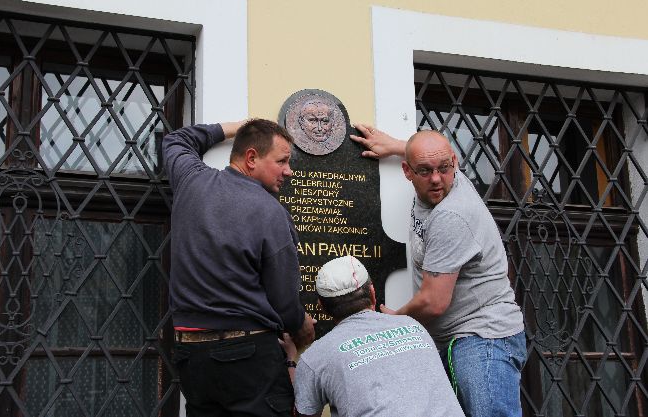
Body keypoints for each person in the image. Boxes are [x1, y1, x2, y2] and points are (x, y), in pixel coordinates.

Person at [350, 124, 526, 417]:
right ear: (407, 171)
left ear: (454, 162)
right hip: (454, 339)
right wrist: (394, 144)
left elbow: (434, 302)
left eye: (443, 168)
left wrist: (393, 321)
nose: (436, 179)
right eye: (424, 170)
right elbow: (429, 153)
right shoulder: (447, 174)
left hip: (481, 338)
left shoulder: (451, 215)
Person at [163, 119, 315, 417]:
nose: (289, 170)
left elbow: (175, 141)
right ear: (251, 158)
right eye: (282, 161)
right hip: (248, 359)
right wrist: (301, 325)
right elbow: (283, 298)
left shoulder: (191, 179)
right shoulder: (271, 211)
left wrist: (235, 126)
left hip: (190, 355)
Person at [282, 255, 465, 417]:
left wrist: (291, 358)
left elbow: (304, 412)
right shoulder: (413, 325)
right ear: (372, 293)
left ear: (321, 306)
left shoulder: (315, 357)